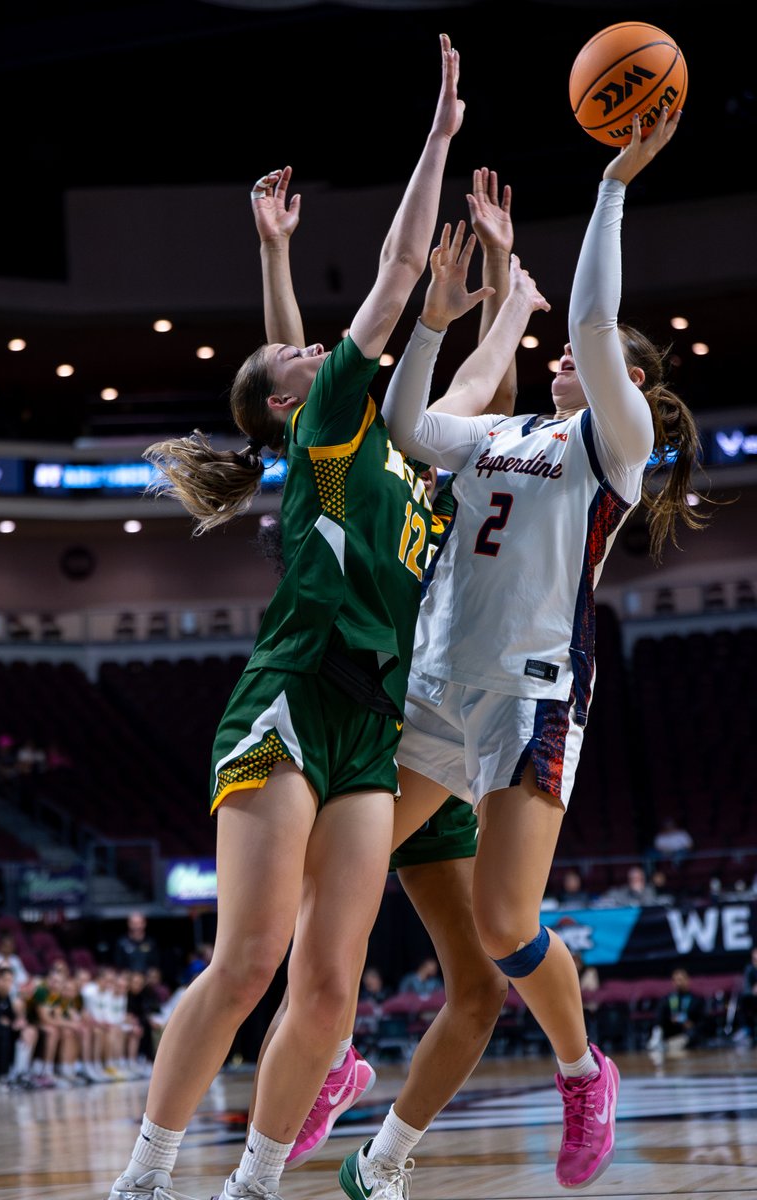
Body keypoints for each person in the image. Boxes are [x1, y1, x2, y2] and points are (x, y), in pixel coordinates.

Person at [106, 35, 482, 1200]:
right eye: (299, 355)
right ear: (287, 400)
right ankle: (145, 1176)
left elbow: (294, 364)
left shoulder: (373, 442)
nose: (318, 346)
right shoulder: (322, 431)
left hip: (370, 721)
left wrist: (275, 254)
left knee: (328, 988)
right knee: (247, 961)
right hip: (290, 695)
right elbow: (393, 271)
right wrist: (436, 134)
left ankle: (257, 1183)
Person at [353, 105, 706, 1193]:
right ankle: (327, 1058)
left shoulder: (613, 442)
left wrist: (611, 188)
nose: (562, 355)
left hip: (530, 697)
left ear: (629, 387)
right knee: (338, 874)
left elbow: (593, 324)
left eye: (586, 359)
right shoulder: (503, 434)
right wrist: (433, 323)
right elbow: (409, 427)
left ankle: (581, 1068)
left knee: (506, 922)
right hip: (433, 692)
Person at [241, 164, 526, 1181]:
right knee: (319, 916)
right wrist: (274, 258)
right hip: (375, 711)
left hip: (436, 713)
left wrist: (505, 280)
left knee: (478, 984)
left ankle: (378, 1154)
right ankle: (320, 1066)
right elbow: (297, 384)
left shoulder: (421, 451)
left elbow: (486, 384)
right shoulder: (343, 449)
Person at [646, 968, 706, 1057]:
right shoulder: (667, 999)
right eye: (675, 980)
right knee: (659, 1016)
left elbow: (702, 1019)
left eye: (680, 980)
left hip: (689, 1033)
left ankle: (673, 1045)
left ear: (687, 980)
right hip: (671, 1031)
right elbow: (661, 1017)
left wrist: (690, 1024)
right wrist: (670, 1019)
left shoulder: (696, 1000)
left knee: (693, 1033)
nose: (678, 983)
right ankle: (657, 1040)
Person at [114, 912, 161, 976]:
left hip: (147, 977)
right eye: (134, 923)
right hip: (128, 977)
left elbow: (156, 964)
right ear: (128, 924)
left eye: (139, 923)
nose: (136, 926)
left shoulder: (151, 942)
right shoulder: (122, 943)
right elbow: (118, 965)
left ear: (144, 924)